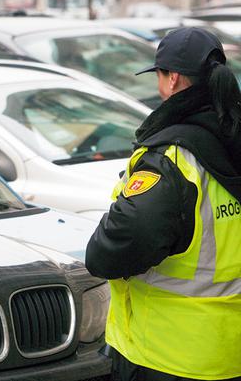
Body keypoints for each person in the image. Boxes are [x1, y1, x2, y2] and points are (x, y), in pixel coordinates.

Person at [86, 27, 241, 381]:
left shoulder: (171, 158)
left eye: (158, 76)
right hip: (231, 351)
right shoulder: (231, 137)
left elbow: (113, 250)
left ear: (172, 79)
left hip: (167, 355)